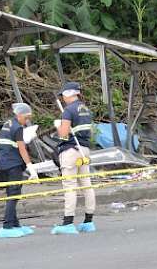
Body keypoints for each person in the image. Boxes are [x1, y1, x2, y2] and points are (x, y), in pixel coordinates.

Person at [51, 82, 97, 235]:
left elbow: (63, 134)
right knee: (86, 184)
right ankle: (88, 221)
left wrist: (58, 125)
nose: (63, 98)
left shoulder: (68, 111)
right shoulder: (86, 109)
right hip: (84, 150)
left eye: (63, 95)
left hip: (70, 151)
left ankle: (68, 222)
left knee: (69, 185)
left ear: (69, 94)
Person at [0, 103, 38, 238]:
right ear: (19, 115)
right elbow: (22, 149)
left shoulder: (7, 124)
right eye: (26, 118)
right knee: (13, 195)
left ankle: (15, 224)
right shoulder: (18, 128)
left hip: (4, 163)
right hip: (13, 164)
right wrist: (31, 167)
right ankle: (7, 226)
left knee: (11, 194)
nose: (26, 121)